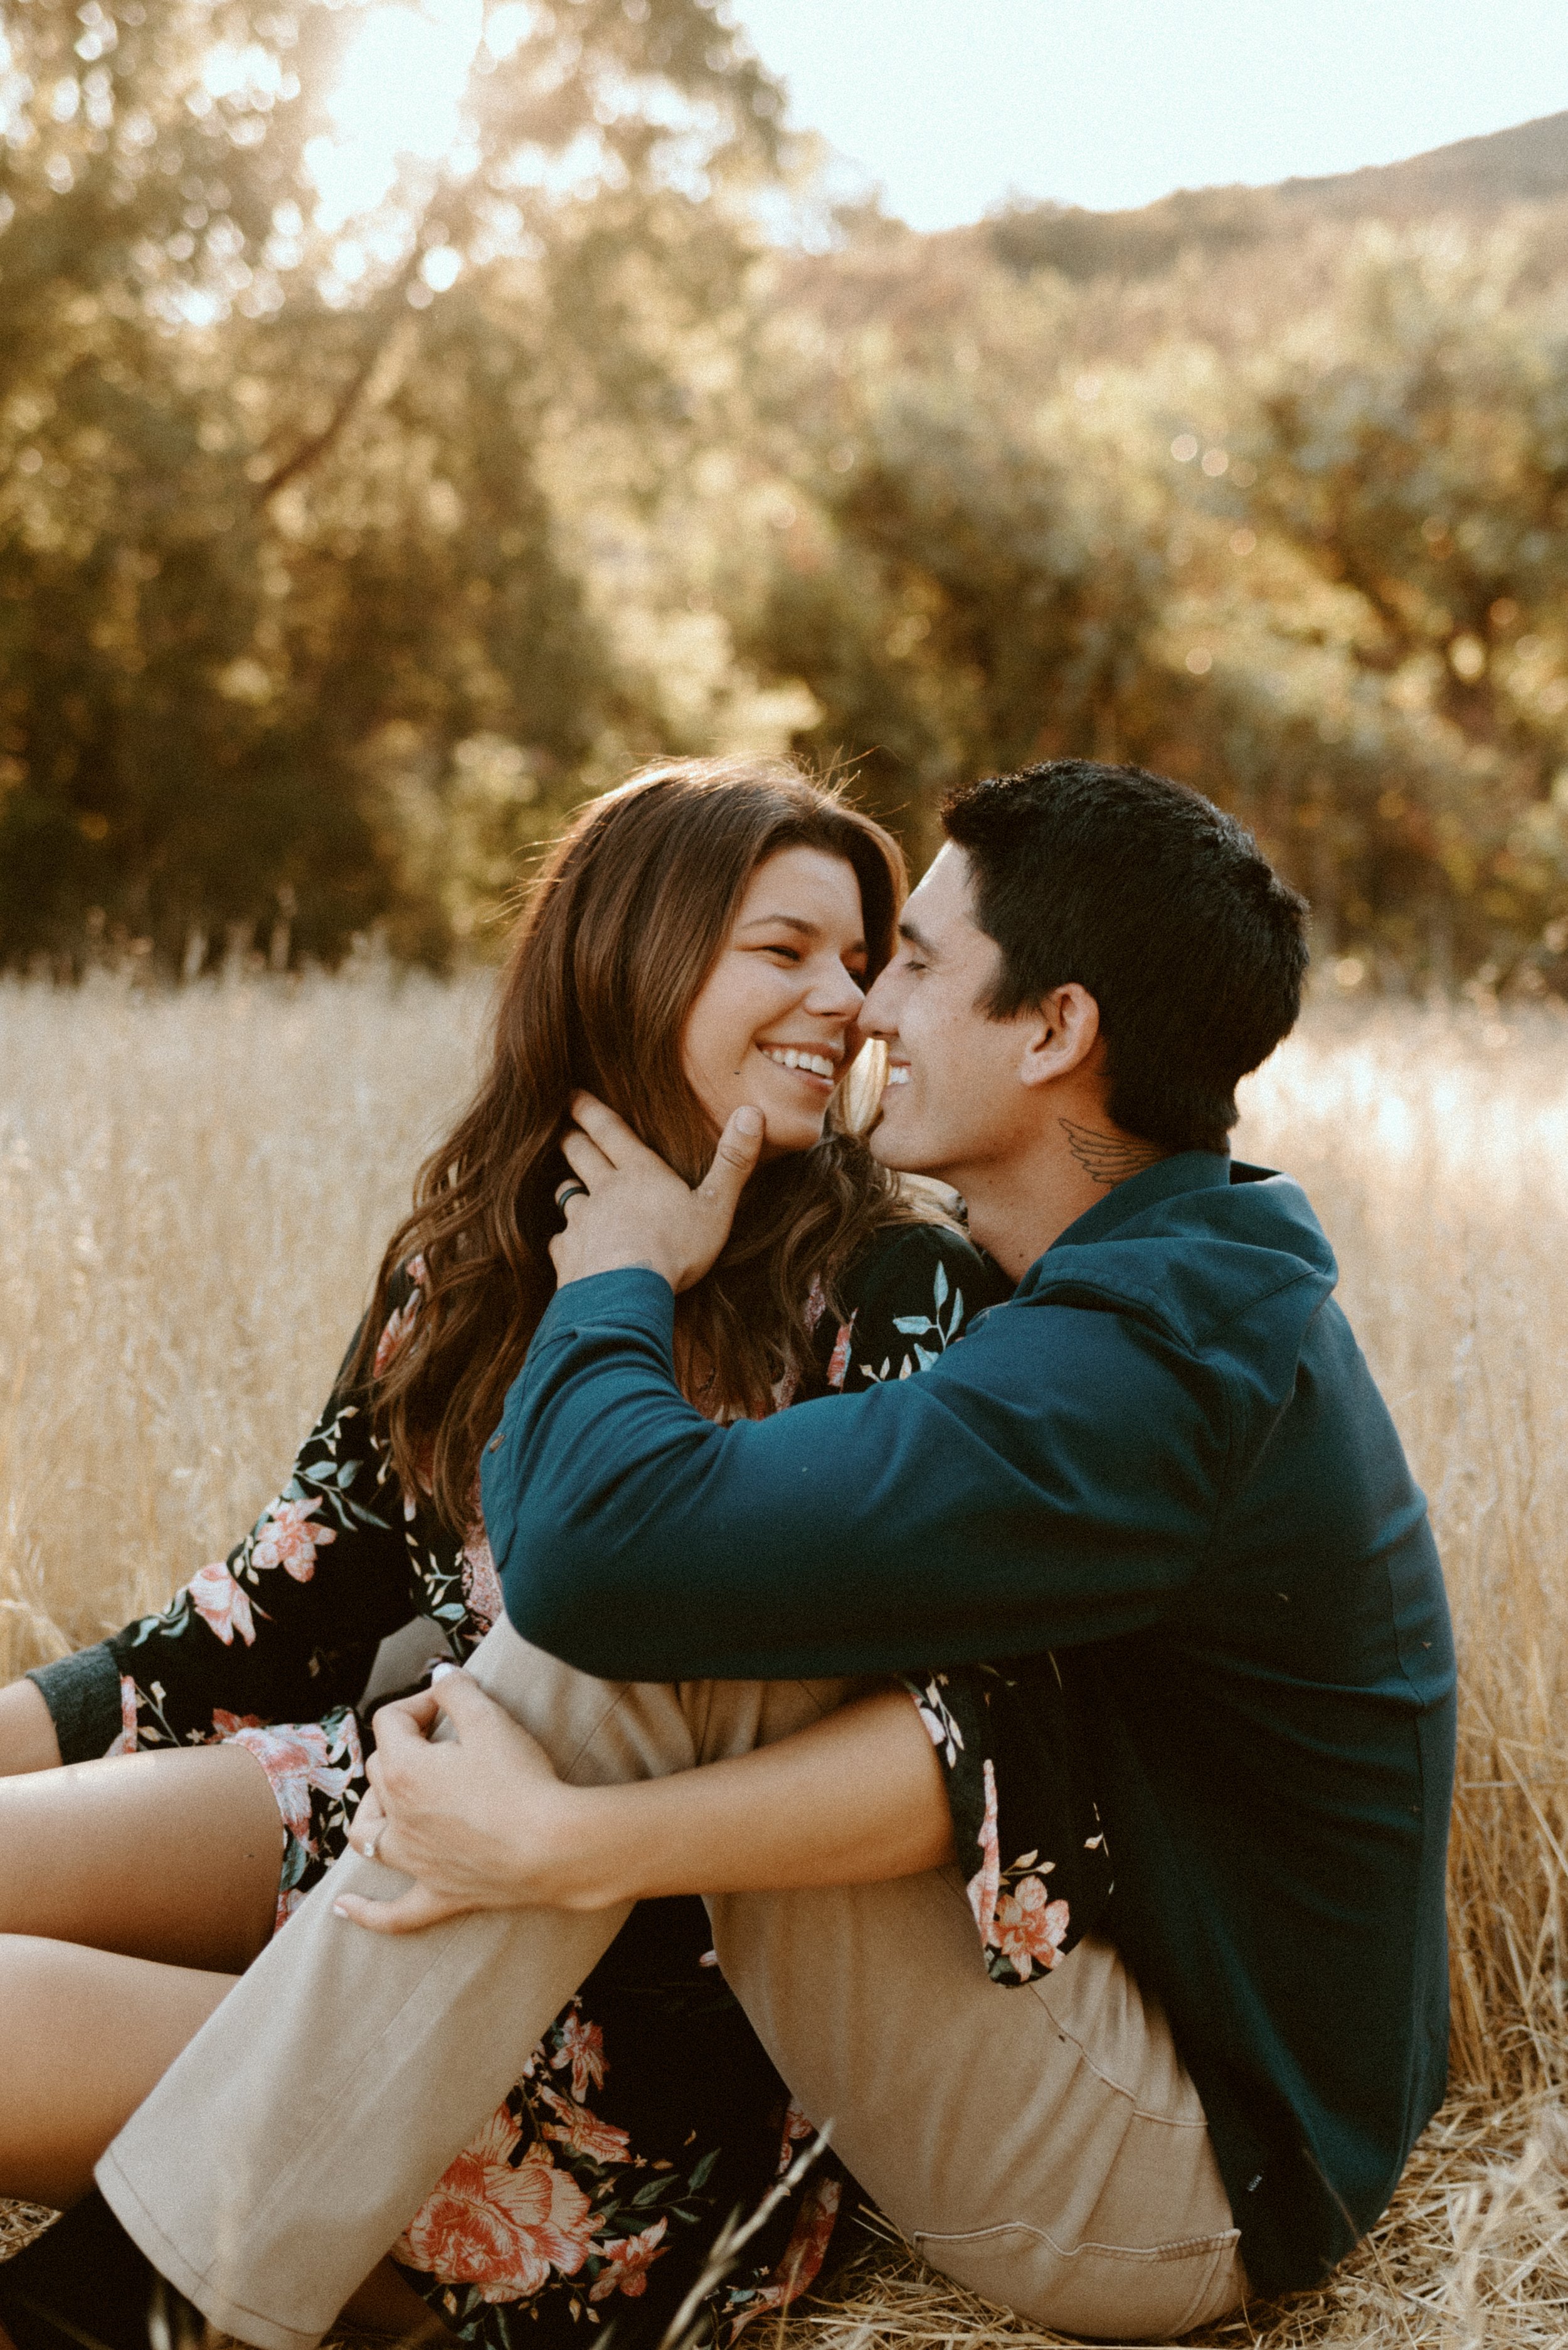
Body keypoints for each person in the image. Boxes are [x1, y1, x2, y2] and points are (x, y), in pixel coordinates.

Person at [1, 760, 1456, 2350]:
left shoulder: (1052, 1345)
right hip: (447, 1842)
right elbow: (251, 1618)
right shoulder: (1119, 1306)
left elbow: (735, 1629)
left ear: (1053, 1030)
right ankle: (169, 2295)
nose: (859, 1001)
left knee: (623, 1620)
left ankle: (163, 2299)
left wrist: (563, 1842)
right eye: (802, 950)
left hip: (1007, 2113)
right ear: (638, 952)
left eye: (899, 953)